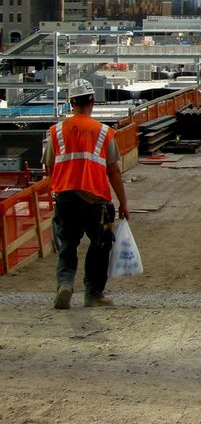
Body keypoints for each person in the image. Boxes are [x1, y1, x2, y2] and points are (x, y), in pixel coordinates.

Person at [43, 78, 129, 309]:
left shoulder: (56, 132)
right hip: (95, 199)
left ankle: (65, 284)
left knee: (67, 244)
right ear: (92, 101)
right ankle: (93, 293)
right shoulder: (104, 132)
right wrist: (123, 202)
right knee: (100, 245)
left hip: (65, 197)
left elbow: (49, 167)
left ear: (71, 102)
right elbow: (114, 170)